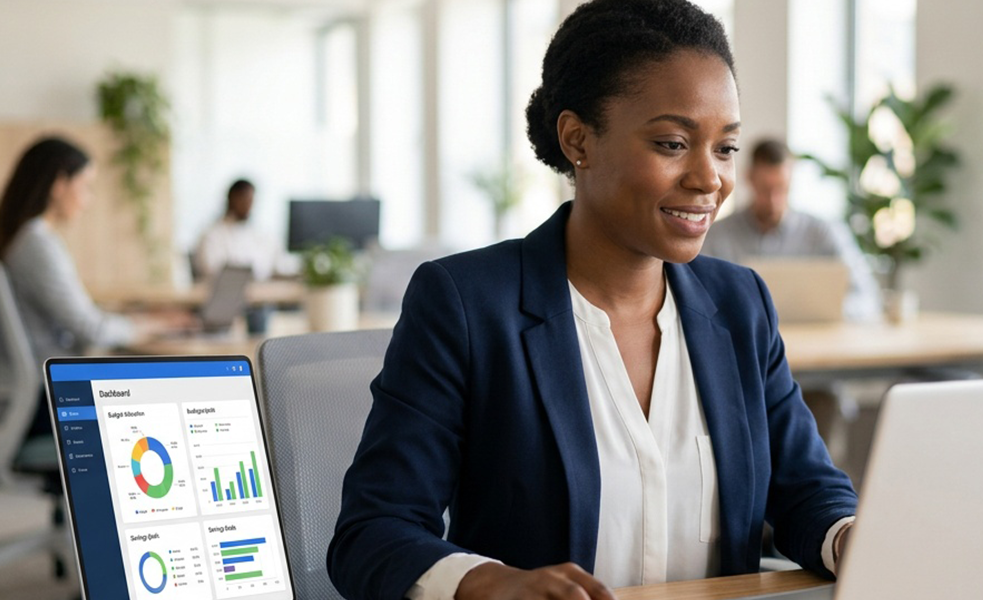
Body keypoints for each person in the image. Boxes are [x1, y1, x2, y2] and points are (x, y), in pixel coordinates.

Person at [327, 1, 858, 599]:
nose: (710, 178)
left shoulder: (741, 305)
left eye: (725, 148)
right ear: (578, 140)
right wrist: (491, 583)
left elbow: (807, 491)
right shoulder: (467, 305)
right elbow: (372, 533)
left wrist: (849, 536)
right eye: (673, 143)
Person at [0, 136, 186, 433]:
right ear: (59, 184)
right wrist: (154, 324)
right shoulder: (36, 244)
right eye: (85, 186)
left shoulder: (16, 239)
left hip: (25, 402)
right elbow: (91, 328)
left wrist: (134, 319)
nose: (88, 200)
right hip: (51, 403)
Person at [701, 139, 882, 322]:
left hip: (814, 339)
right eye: (765, 189)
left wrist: (822, 314)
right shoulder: (716, 236)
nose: (773, 201)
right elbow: (699, 302)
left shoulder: (824, 233)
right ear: (749, 179)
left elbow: (867, 297)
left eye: (781, 189)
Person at [193, 179, 297, 281]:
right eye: (243, 199)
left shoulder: (259, 233)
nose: (248, 205)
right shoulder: (212, 235)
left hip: (261, 289)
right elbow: (212, 270)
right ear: (231, 199)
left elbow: (277, 264)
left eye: (250, 200)